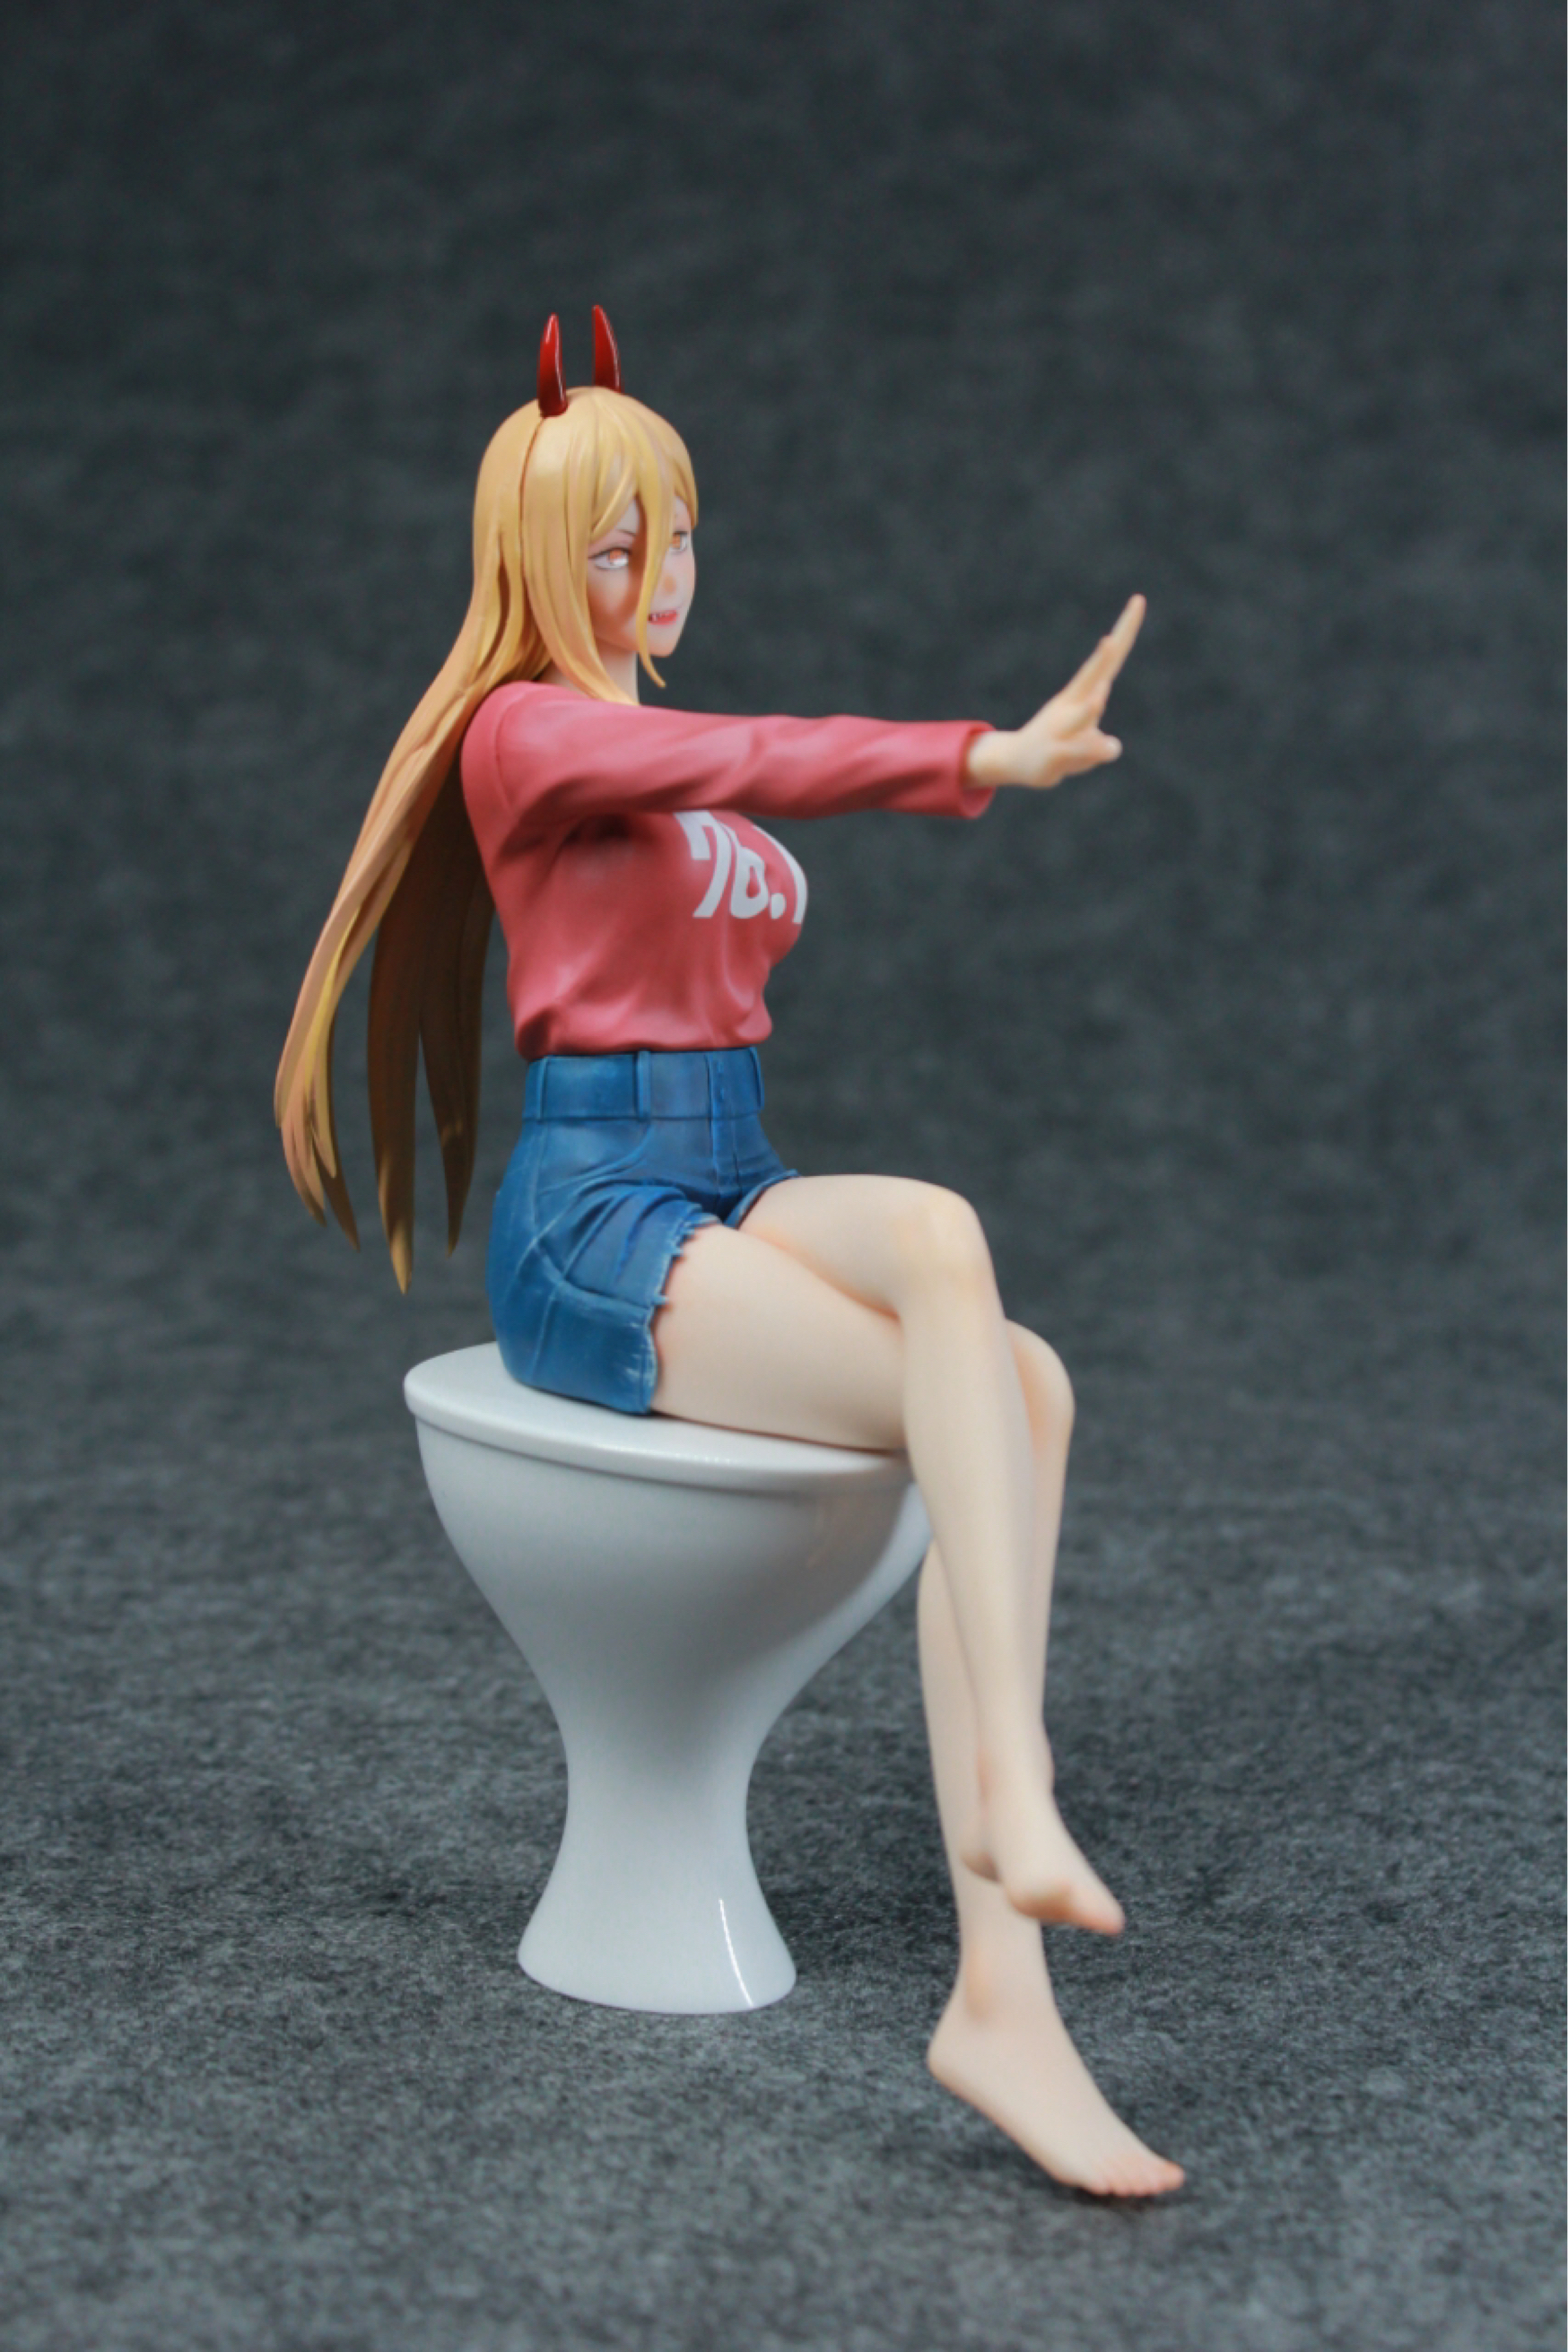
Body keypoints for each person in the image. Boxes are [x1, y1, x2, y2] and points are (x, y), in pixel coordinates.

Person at [276, 309, 1182, 2198]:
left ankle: (1002, 1997)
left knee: (1003, 1339)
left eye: (679, 534)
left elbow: (720, 771)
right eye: (621, 544)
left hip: (726, 1165)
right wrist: (979, 754)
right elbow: (756, 750)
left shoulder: (640, 740)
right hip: (595, 1215)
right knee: (980, 1378)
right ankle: (1007, 1793)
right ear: (540, 558)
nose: (663, 573)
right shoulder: (529, 736)